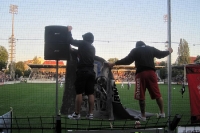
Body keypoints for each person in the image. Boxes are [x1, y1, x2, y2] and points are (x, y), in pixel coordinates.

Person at [108, 41, 173, 121]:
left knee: (141, 95)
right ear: (144, 45)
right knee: (157, 94)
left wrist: (115, 63)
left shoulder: (135, 50)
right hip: (152, 73)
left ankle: (143, 116)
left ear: (137, 46)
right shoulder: (151, 49)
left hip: (141, 74)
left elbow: (127, 61)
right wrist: (169, 51)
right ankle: (162, 113)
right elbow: (160, 54)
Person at [67, 26, 96, 120]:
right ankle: (90, 114)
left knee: (79, 92)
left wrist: (69, 31)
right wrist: (73, 50)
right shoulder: (92, 48)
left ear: (86, 39)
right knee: (90, 93)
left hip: (82, 71)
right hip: (91, 72)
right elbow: (81, 53)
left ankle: (77, 114)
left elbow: (71, 40)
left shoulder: (83, 43)